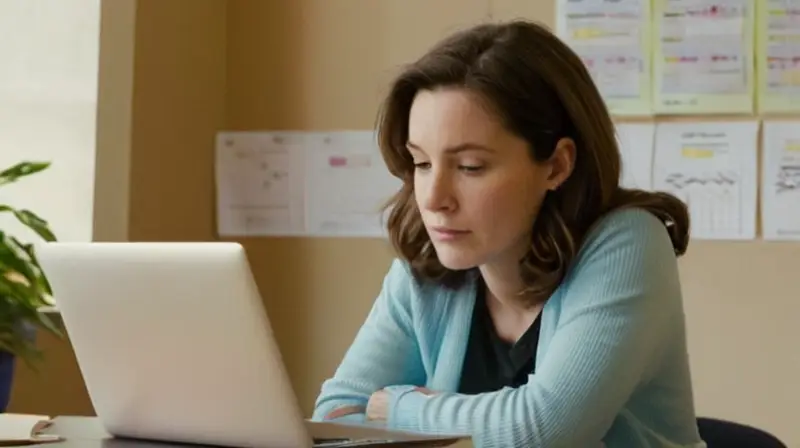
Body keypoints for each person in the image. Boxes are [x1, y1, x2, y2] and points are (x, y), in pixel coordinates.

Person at [311, 19, 706, 448]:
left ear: (556, 165)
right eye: (422, 164)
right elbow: (336, 418)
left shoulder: (628, 243)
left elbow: (544, 430)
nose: (434, 199)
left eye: (470, 167)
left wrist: (401, 408)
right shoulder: (431, 257)